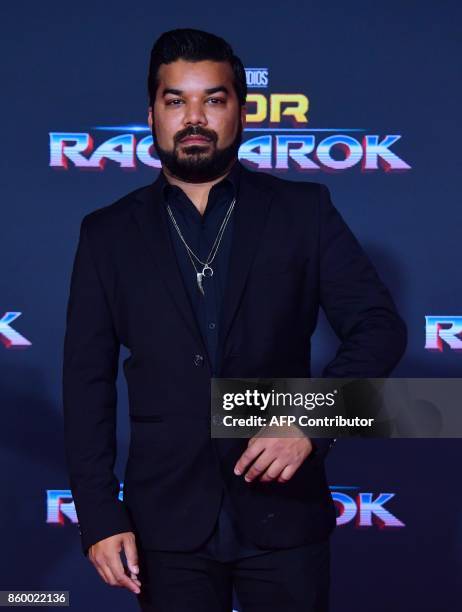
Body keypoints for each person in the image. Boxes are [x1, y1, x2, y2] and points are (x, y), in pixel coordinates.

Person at [62, 28, 407, 612]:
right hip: (164, 526)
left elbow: (380, 327)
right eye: (176, 101)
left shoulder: (304, 212)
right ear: (151, 112)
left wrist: (308, 422)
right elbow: (86, 383)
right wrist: (98, 514)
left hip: (285, 515)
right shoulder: (106, 234)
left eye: (213, 100)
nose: (193, 117)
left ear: (241, 112)